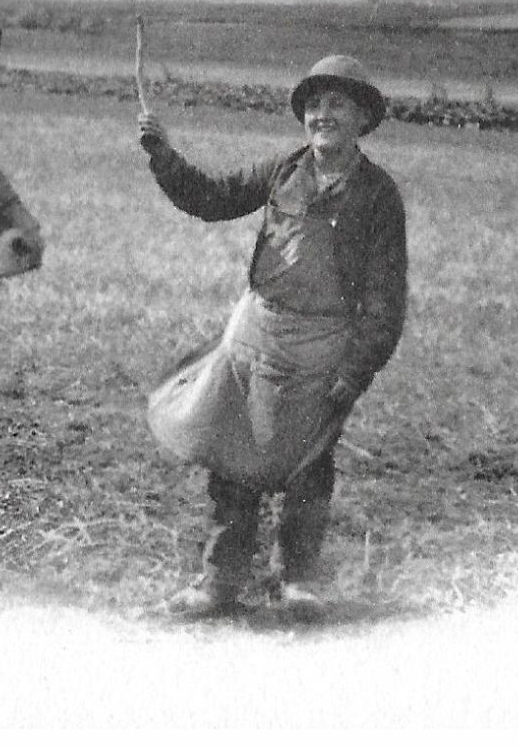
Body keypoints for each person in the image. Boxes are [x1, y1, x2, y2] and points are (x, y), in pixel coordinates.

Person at [137, 54, 408, 620]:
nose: (322, 115)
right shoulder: (283, 171)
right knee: (232, 461)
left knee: (307, 466)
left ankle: (299, 583)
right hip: (256, 335)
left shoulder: (379, 196)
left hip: (324, 348)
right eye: (313, 105)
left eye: (336, 104)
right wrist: (163, 155)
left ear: (362, 118)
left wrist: (356, 370)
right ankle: (219, 584)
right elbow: (210, 198)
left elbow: (386, 300)